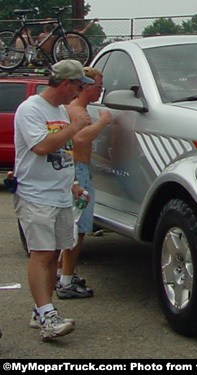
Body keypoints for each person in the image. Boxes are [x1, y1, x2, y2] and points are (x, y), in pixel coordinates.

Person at [13, 59, 93, 340]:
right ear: (66, 83)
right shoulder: (31, 109)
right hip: (36, 194)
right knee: (42, 253)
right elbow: (42, 146)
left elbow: (64, 152)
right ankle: (47, 315)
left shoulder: (59, 109)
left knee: (55, 253)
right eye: (80, 85)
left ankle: (41, 310)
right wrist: (76, 126)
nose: (80, 92)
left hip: (59, 193)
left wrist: (73, 184)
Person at [56, 67, 112, 299]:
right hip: (77, 171)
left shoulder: (73, 109)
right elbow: (79, 139)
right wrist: (103, 123)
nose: (101, 91)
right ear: (86, 87)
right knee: (77, 230)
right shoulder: (79, 112)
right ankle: (66, 282)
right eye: (99, 86)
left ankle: (62, 274)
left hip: (76, 171)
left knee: (71, 228)